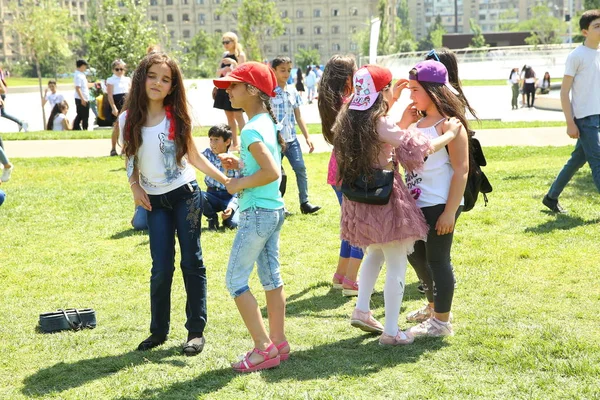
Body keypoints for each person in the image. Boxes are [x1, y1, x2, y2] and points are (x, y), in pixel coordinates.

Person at [333, 64, 461, 346]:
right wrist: (449, 134)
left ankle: (363, 310)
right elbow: (416, 149)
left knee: (374, 253)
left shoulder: (350, 118)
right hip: (384, 199)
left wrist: (399, 118)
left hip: (360, 199)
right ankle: (391, 332)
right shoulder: (381, 122)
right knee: (395, 263)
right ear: (383, 92)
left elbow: (383, 139)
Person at [120, 51, 230, 356]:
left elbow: (193, 157)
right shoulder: (128, 118)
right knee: (161, 268)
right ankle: (158, 331)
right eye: (152, 76)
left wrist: (226, 180)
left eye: (165, 79)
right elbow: (130, 156)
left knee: (191, 262)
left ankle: (195, 331)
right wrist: (134, 185)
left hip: (187, 195)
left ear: (172, 86)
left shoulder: (176, 117)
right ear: (141, 78)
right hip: (155, 203)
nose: (157, 82)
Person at [214, 62, 288, 372]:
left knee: (235, 280)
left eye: (233, 85)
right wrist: (241, 163)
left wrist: (237, 182)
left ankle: (263, 348)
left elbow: (272, 172)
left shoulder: (252, 128)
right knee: (271, 276)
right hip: (272, 210)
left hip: (257, 213)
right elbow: (265, 166)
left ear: (253, 90)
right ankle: (278, 342)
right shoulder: (263, 123)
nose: (228, 91)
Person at [402, 60, 470, 338]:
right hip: (416, 204)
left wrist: (450, 212)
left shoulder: (450, 126)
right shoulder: (417, 123)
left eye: (415, 90)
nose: (411, 96)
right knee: (417, 258)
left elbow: (461, 170)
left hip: (439, 204)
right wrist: (406, 123)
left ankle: (441, 323)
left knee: (438, 260)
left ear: (433, 91)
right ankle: (434, 308)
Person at [543, 10, 600, 214]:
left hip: (597, 118)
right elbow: (564, 92)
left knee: (577, 161)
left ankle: (551, 197)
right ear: (585, 31)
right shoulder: (576, 56)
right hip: (585, 121)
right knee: (598, 162)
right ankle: (550, 197)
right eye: (597, 26)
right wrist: (570, 122)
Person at [317, 54, 363, 296]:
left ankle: (340, 275)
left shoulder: (329, 102)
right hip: (350, 170)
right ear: (348, 78)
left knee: (349, 226)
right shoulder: (350, 102)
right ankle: (350, 281)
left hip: (337, 170)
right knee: (358, 228)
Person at [270, 56, 321, 214]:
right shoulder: (269, 92)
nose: (286, 73)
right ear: (274, 71)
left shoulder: (292, 90)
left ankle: (304, 203)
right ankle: (278, 205)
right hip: (274, 141)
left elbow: (298, 116)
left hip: (291, 140)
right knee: (276, 174)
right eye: (282, 70)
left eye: (288, 70)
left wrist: (307, 136)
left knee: (300, 168)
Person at [201, 123, 240, 230]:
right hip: (211, 195)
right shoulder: (207, 154)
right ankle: (212, 218)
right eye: (211, 139)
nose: (212, 143)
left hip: (229, 197)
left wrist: (231, 207)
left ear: (227, 142)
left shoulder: (233, 161)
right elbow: (194, 158)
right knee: (198, 195)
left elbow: (239, 191)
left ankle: (227, 218)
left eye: (216, 139)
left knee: (234, 224)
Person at [213, 32, 246, 150]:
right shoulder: (225, 55)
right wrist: (224, 69)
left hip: (235, 88)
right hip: (224, 87)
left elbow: (242, 72)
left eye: (228, 42)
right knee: (229, 117)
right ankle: (234, 143)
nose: (225, 45)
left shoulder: (240, 55)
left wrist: (233, 64)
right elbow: (218, 71)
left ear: (234, 42)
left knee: (238, 115)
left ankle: (246, 142)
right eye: (223, 42)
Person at [108, 59, 132, 156]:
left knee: (127, 127)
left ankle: (124, 148)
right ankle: (113, 148)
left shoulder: (127, 80)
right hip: (117, 103)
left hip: (126, 102)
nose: (119, 71)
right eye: (117, 69)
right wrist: (113, 107)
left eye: (121, 69)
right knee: (117, 126)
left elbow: (130, 92)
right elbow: (110, 95)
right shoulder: (111, 80)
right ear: (113, 70)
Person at [73, 59, 91, 131]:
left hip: (85, 97)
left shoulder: (82, 75)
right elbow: (78, 88)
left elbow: (86, 86)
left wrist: (95, 84)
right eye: (85, 66)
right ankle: (81, 128)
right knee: (83, 115)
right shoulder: (78, 75)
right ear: (82, 66)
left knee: (83, 115)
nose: (85, 68)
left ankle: (78, 127)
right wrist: (82, 99)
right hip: (81, 98)